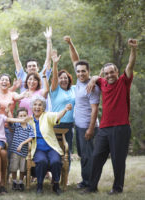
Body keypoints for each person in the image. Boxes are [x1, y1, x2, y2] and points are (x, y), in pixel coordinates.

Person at [83, 39, 137, 194]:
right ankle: (92, 187)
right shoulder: (103, 82)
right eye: (106, 73)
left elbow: (130, 65)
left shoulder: (123, 82)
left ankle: (117, 188)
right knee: (96, 157)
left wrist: (133, 49)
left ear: (117, 72)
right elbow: (95, 77)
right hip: (105, 128)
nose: (109, 75)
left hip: (121, 127)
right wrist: (94, 79)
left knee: (118, 160)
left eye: (112, 72)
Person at [64, 36, 101, 189]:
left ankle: (90, 184)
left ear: (88, 72)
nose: (80, 73)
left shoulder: (92, 87)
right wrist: (70, 43)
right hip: (78, 125)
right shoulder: (80, 80)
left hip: (87, 126)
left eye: (83, 71)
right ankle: (85, 180)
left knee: (88, 156)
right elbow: (75, 59)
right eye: (78, 71)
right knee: (83, 155)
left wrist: (91, 128)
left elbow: (95, 110)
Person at [28, 95, 72, 195]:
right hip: (38, 149)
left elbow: (57, 116)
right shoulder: (29, 120)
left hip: (51, 148)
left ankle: (56, 184)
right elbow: (19, 124)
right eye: (35, 105)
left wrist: (65, 109)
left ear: (43, 107)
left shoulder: (47, 115)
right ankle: (39, 185)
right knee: (41, 161)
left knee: (56, 161)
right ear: (32, 107)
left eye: (40, 105)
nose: (37, 107)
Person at [50, 50, 75, 167]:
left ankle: (66, 177)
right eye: (61, 78)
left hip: (69, 125)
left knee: (67, 151)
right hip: (57, 124)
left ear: (69, 79)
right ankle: (55, 176)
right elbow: (54, 77)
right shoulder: (55, 90)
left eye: (66, 78)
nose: (63, 80)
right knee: (55, 150)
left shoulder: (73, 89)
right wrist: (55, 64)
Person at [10, 28, 52, 93]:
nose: (32, 67)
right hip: (26, 102)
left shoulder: (43, 75)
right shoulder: (22, 76)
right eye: (29, 66)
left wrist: (49, 40)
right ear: (26, 69)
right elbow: (16, 60)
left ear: (38, 68)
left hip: (41, 102)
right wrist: (13, 42)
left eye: (34, 66)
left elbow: (48, 59)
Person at [9, 107, 35, 191]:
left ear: (27, 116)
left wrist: (22, 144)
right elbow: (11, 120)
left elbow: (31, 137)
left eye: (24, 115)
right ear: (17, 117)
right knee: (14, 167)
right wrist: (8, 111)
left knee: (22, 168)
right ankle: (14, 182)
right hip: (15, 151)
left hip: (24, 152)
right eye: (20, 116)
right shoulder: (16, 125)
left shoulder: (29, 127)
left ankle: (20, 182)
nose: (23, 117)